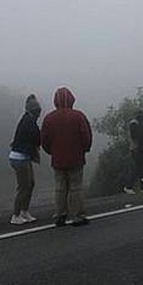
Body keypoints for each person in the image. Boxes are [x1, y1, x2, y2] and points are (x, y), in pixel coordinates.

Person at [41, 87, 93, 227]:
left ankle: (60, 214)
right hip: (76, 157)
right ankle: (77, 216)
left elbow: (44, 139)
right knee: (76, 186)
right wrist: (85, 149)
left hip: (58, 158)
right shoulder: (78, 116)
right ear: (71, 100)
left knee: (60, 187)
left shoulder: (49, 118)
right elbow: (86, 135)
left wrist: (51, 151)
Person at [8, 94, 41, 225]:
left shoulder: (29, 119)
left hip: (23, 157)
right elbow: (37, 139)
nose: (39, 113)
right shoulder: (28, 122)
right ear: (32, 110)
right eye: (37, 110)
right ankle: (15, 215)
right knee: (23, 186)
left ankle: (24, 211)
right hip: (19, 158)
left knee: (30, 184)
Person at [123, 111, 142, 195]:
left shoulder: (135, 123)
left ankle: (142, 186)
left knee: (140, 168)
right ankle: (128, 186)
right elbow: (135, 136)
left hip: (136, 148)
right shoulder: (134, 124)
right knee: (137, 168)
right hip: (135, 148)